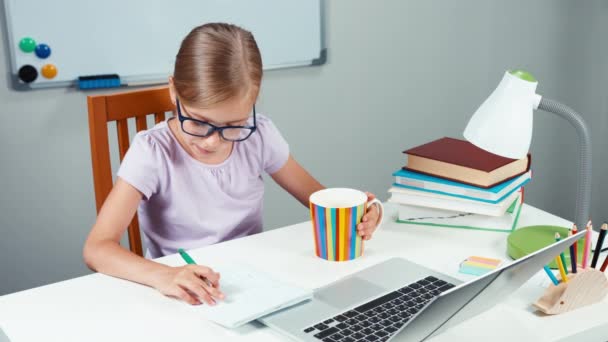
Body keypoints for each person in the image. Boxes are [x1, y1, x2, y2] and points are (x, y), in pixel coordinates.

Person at [83, 23, 382, 306]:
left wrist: (364, 212)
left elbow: (319, 199)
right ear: (174, 92)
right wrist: (163, 275)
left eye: (234, 125)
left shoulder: (259, 135)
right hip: (184, 289)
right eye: (199, 123)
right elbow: (97, 248)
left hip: (253, 282)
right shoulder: (152, 152)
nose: (213, 141)